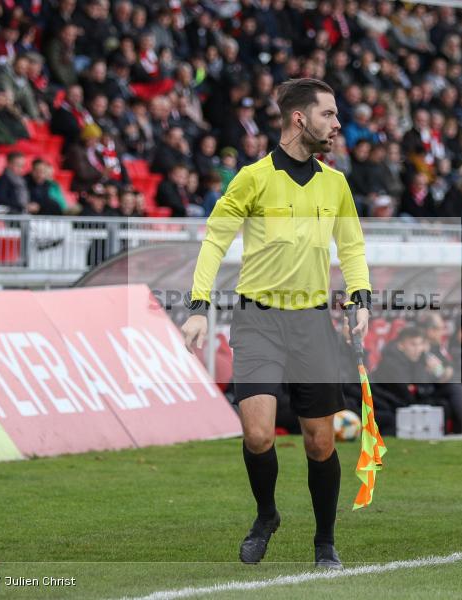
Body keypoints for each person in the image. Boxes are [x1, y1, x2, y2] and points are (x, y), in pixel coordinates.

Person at [180, 78, 371, 570]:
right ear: (299, 119)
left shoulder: (336, 183)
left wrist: (361, 298)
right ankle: (267, 515)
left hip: (312, 323)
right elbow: (215, 240)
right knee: (258, 435)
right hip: (257, 320)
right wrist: (198, 305)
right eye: (328, 114)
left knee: (320, 441)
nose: (337, 124)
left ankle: (324, 542)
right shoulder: (252, 178)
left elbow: (351, 246)